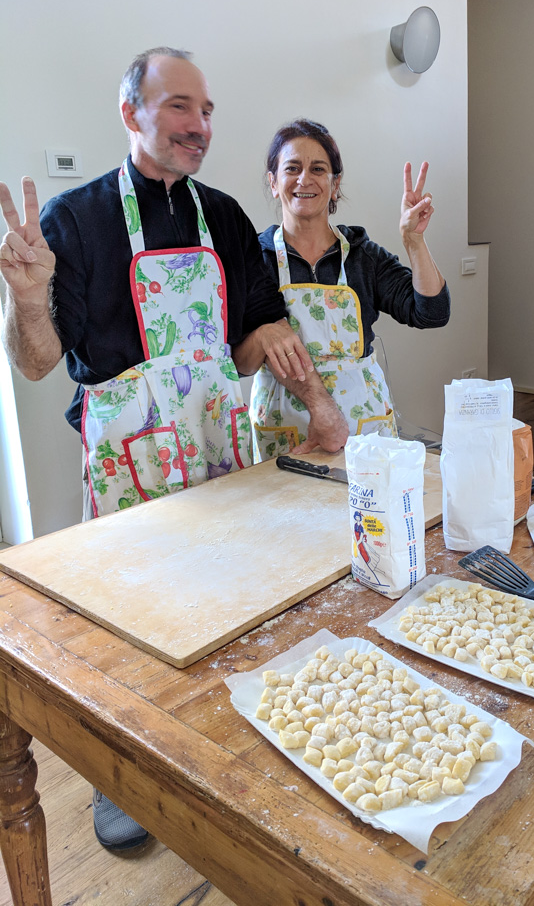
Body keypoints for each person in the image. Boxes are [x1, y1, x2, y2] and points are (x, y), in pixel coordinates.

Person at [0, 48, 347, 850]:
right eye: (180, 106)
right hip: (129, 461)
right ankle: (119, 771)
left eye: (207, 110)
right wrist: (27, 300)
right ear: (131, 113)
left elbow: (257, 337)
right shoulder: (75, 220)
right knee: (131, 619)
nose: (200, 126)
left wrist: (316, 399)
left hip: (216, 446)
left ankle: (219, 742)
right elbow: (38, 362)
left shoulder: (224, 217)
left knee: (226, 600)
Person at [247, 118, 450, 460]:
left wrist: (413, 240)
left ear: (335, 183)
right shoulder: (255, 259)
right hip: (284, 429)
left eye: (318, 169)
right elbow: (241, 356)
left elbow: (432, 313)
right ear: (273, 182)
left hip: (363, 425)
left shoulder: (362, 256)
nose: (304, 179)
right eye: (292, 168)